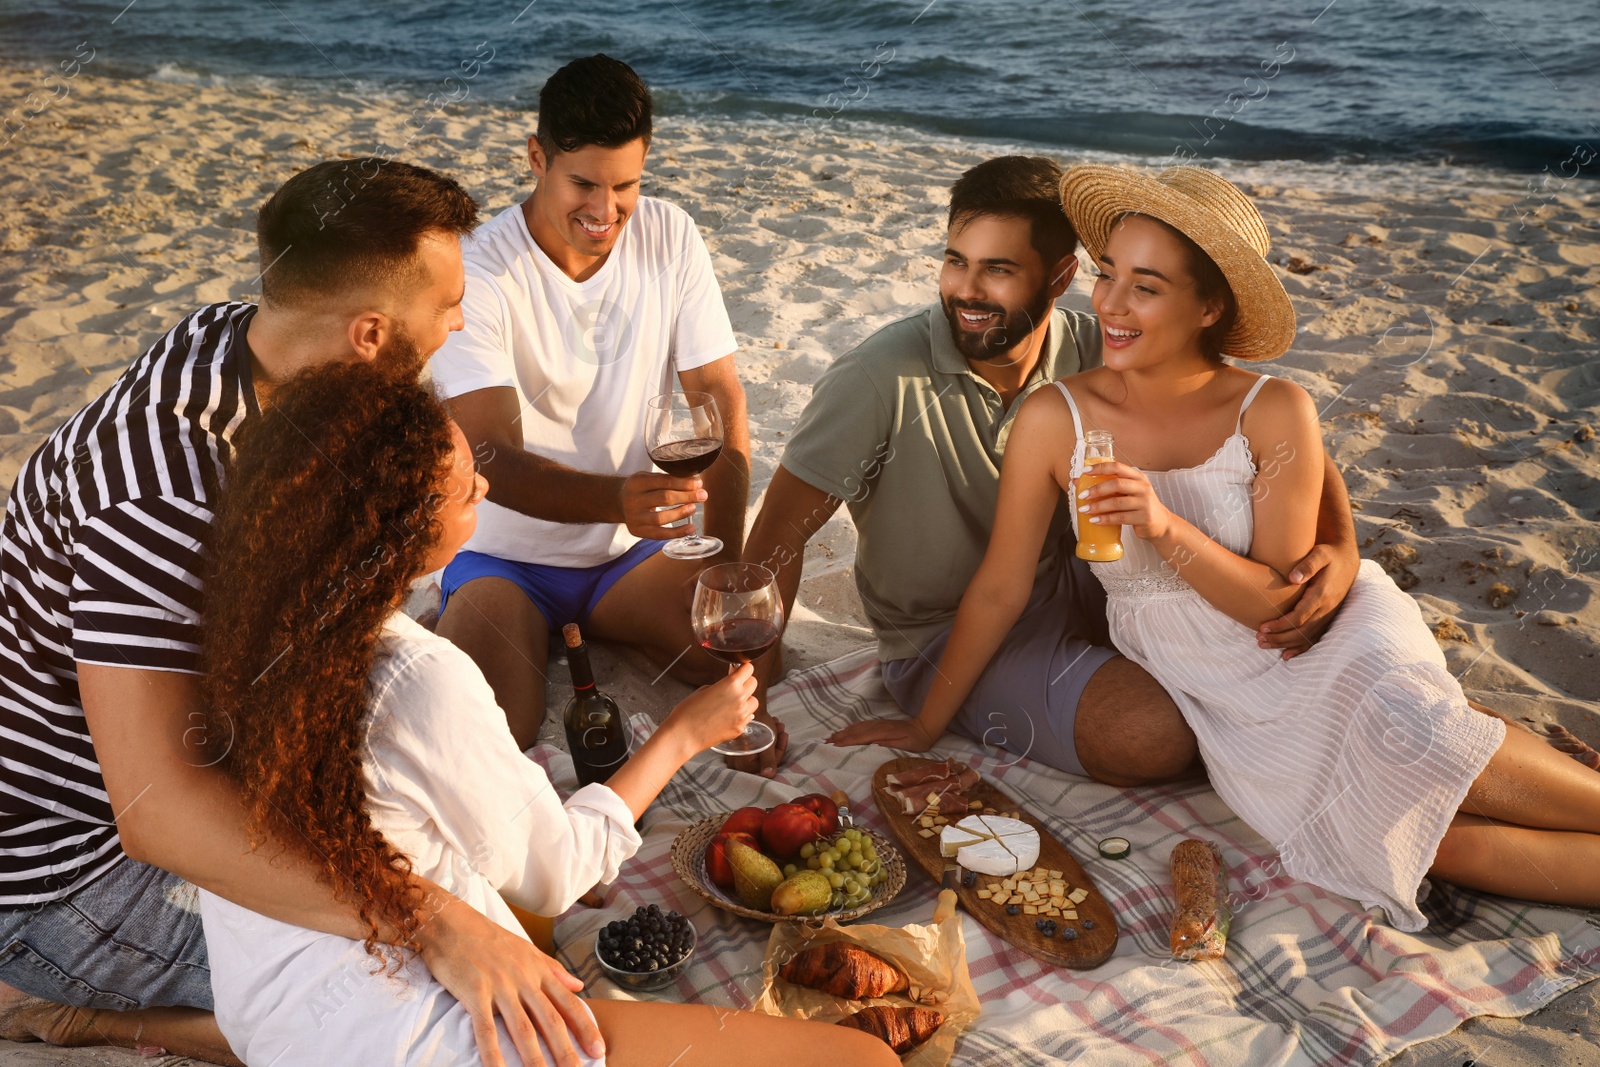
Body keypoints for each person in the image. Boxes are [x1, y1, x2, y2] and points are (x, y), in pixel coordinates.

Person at [0, 159, 603, 1067]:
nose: (460, 324)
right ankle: (96, 1019)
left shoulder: (254, 354)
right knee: (437, 988)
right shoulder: (169, 491)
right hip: (71, 874)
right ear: (368, 333)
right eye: (445, 307)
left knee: (502, 902)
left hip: (214, 763)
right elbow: (158, 811)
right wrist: (429, 920)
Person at [903, 163, 1600, 929]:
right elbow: (1000, 588)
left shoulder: (1274, 411)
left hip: (1317, 652)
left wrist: (1163, 526)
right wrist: (922, 724)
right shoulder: (1056, 417)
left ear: (1209, 306)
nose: (1110, 303)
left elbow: (1277, 606)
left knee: (1421, 736)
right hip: (1217, 695)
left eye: (1147, 285)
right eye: (1107, 275)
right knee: (1418, 845)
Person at [195, 362, 897, 1067]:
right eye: (469, 487)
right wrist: (684, 732)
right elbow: (560, 871)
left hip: (269, 1017)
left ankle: (166, 1030)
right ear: (405, 527)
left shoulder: (252, 634)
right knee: (865, 1060)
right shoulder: (416, 675)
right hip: (432, 1036)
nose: (486, 488)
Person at [743, 155, 1360, 783]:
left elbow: (1263, 429)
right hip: (948, 633)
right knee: (1148, 735)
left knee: (1336, 621)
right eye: (956, 260)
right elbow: (776, 539)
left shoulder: (1106, 345)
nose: (966, 290)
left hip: (1099, 593)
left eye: (999, 270)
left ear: (1062, 275)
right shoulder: (875, 377)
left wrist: (1341, 543)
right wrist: (749, 705)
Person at [431, 54, 761, 755]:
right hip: (503, 556)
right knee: (489, 734)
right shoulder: (481, 268)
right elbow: (489, 451)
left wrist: (724, 564)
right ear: (536, 158)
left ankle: (605, 622)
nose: (605, 211)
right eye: (583, 183)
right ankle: (500, 627)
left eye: (626, 185)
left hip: (629, 555)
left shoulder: (670, 234)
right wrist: (617, 497)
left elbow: (719, 397)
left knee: (736, 660)